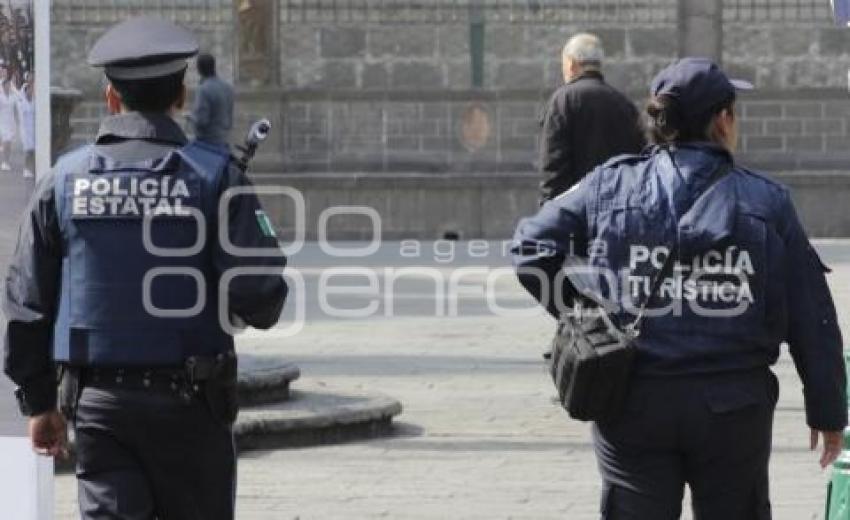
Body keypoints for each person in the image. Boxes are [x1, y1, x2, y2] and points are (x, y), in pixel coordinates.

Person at [512, 57, 847, 519]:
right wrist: (827, 410)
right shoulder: (767, 201)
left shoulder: (610, 184)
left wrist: (584, 313)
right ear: (723, 120)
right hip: (733, 407)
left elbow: (529, 246)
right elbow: (811, 314)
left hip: (634, 400)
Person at [3, 16, 288, 520]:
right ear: (181, 96)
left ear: (112, 98)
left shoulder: (62, 181)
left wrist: (38, 402)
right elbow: (261, 298)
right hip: (193, 407)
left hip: (99, 407)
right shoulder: (217, 177)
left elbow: (27, 303)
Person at [538, 33, 644, 204]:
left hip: (575, 214)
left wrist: (549, 214)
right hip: (616, 212)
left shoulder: (562, 101)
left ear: (571, 64)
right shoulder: (625, 104)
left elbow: (553, 167)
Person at [188, 53, 235, 147]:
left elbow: (201, 121)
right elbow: (229, 118)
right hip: (224, 141)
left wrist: (191, 117)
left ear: (199, 70)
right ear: (214, 66)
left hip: (207, 143)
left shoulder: (203, 89)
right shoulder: (228, 87)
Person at [15, 71, 34, 179]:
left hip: (34, 128)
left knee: (33, 150)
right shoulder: (21, 101)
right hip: (25, 128)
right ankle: (26, 169)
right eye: (28, 91)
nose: (30, 92)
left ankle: (31, 168)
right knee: (28, 149)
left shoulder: (35, 100)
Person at [0, 64, 17, 172]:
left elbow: (17, 107)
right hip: (2, 121)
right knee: (6, 141)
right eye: (5, 85)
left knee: (9, 142)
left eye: (8, 85)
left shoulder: (12, 95)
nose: (7, 86)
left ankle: (7, 160)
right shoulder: (0, 96)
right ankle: (4, 162)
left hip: (11, 121)